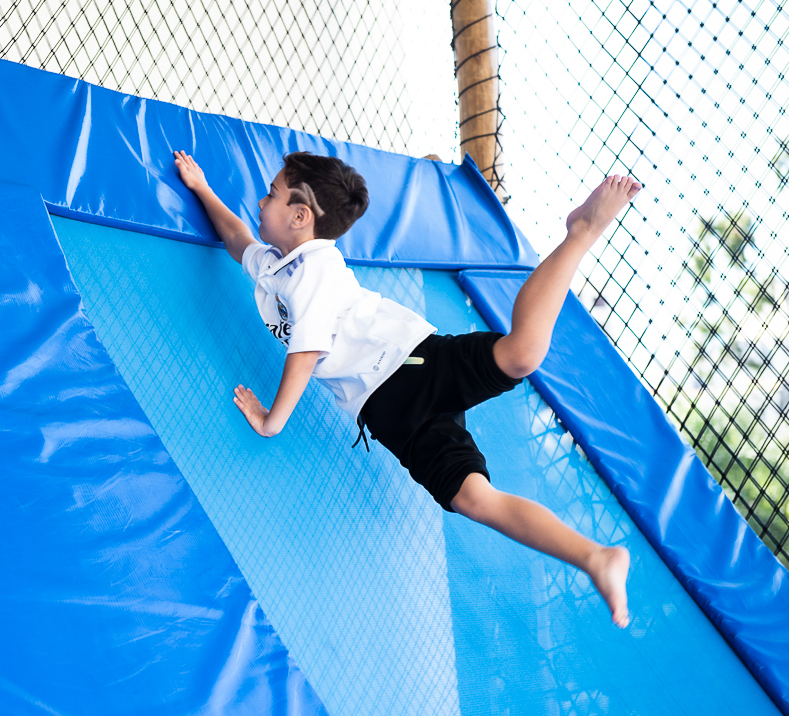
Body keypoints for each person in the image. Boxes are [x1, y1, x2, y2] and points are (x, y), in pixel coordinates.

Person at [173, 148, 640, 628]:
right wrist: (202, 187)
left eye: (272, 193)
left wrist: (273, 422)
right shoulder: (278, 264)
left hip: (408, 362)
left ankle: (579, 233)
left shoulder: (314, 268)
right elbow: (236, 238)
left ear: (299, 215)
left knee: (520, 354)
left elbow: (306, 352)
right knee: (473, 499)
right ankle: (594, 557)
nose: (262, 198)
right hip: (388, 410)